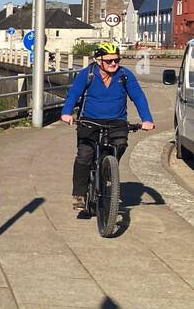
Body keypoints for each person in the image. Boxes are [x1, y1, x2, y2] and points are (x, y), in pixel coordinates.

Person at [60, 42, 154, 210]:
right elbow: (73, 94)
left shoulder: (124, 75)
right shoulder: (87, 74)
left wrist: (147, 119)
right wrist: (66, 113)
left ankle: (108, 168)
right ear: (98, 60)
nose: (113, 64)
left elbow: (138, 97)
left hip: (116, 121)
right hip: (89, 120)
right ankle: (79, 194)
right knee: (84, 156)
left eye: (116, 60)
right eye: (109, 61)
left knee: (121, 144)